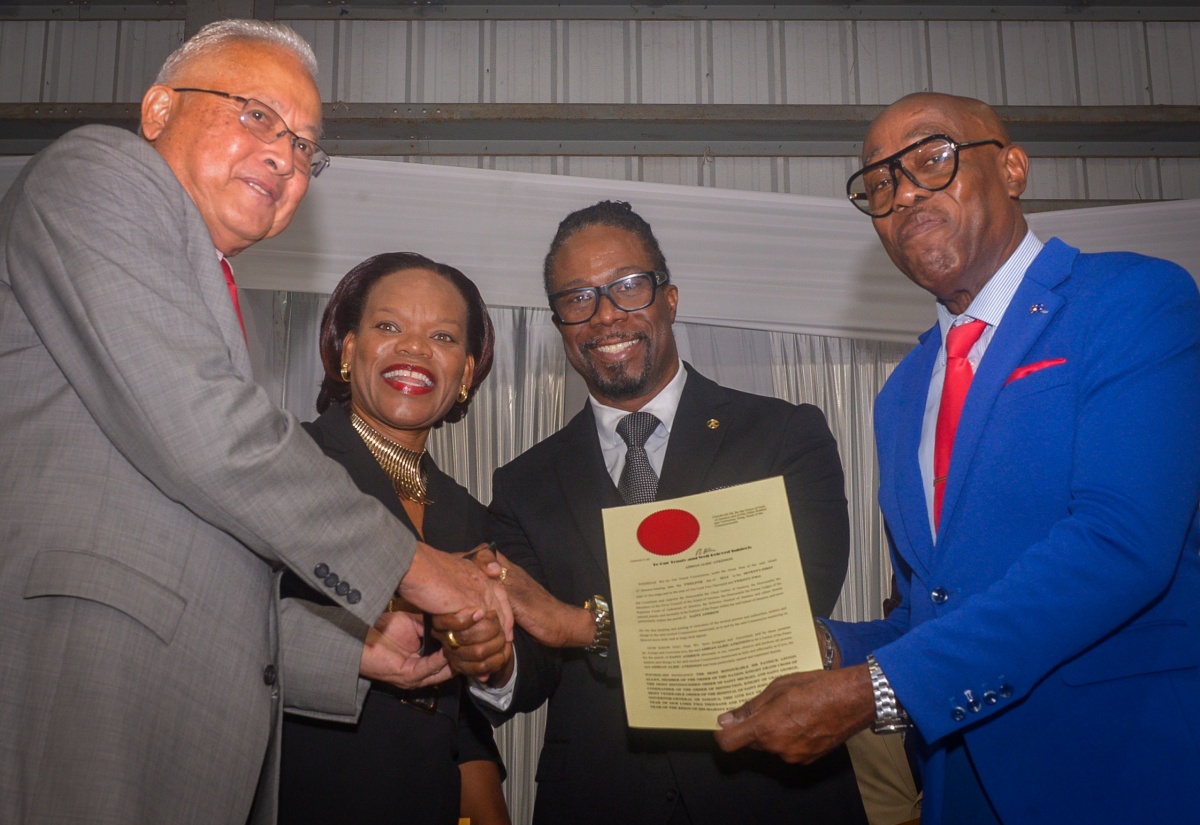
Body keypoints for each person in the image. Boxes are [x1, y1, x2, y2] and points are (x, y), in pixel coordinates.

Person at [0, 20, 508, 825]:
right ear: (159, 109)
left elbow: (202, 561)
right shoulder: (97, 172)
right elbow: (208, 433)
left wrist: (352, 653)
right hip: (84, 688)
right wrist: (415, 565)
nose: (286, 155)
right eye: (256, 114)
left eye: (307, 146)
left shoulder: (208, 285)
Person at [713, 92, 1200, 824]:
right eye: (880, 182)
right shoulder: (903, 392)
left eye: (932, 159)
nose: (904, 190)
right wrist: (826, 646)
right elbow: (930, 609)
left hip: (1123, 773)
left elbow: (1119, 544)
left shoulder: (1134, 299)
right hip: (958, 791)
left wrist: (876, 690)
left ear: (1012, 167)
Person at [452, 200, 869, 824]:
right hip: (600, 798)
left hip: (773, 792)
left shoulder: (785, 435)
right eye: (578, 298)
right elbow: (531, 670)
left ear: (669, 298)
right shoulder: (523, 483)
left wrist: (582, 624)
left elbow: (780, 616)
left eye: (628, 287)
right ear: (560, 324)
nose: (605, 316)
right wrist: (491, 653)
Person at [279, 252, 511, 825]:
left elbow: (461, 721)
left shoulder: (473, 517)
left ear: (464, 374)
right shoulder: (284, 464)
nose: (414, 348)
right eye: (389, 327)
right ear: (348, 350)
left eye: (442, 335)